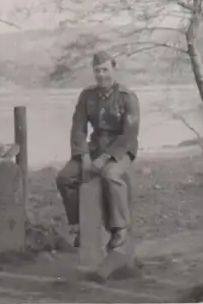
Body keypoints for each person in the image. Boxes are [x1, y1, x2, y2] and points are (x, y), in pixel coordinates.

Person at [56, 51, 140, 250]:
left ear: (114, 69)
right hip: (94, 146)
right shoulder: (87, 96)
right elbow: (78, 128)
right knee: (65, 178)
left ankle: (119, 228)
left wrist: (103, 159)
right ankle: (80, 225)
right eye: (97, 71)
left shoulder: (127, 97)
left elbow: (129, 135)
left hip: (121, 148)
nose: (101, 75)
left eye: (105, 70)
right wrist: (84, 156)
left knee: (110, 174)